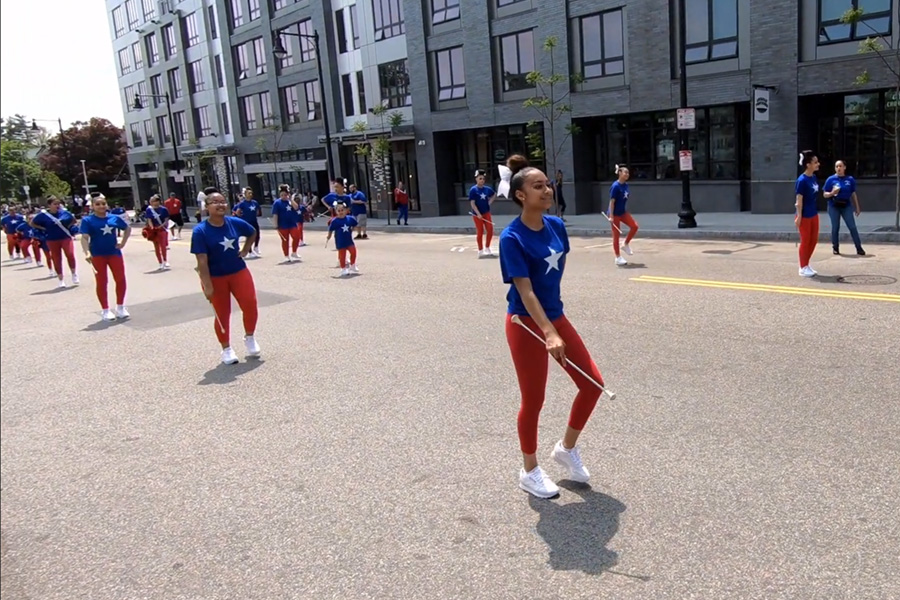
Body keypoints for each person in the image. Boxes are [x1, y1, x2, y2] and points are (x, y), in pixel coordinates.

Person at [498, 154, 605, 499]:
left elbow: (552, 278)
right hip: (526, 323)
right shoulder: (511, 238)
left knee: (593, 385)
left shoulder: (557, 226)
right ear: (520, 195)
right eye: (538, 186)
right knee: (534, 399)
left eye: (548, 184)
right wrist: (548, 331)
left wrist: (555, 322)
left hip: (554, 317)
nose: (547, 190)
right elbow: (525, 290)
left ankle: (566, 448)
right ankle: (529, 470)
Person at [191, 187, 261, 365]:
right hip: (215, 277)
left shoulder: (234, 222)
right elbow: (202, 261)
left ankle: (250, 337)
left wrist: (245, 249)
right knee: (222, 314)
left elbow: (252, 231)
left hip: (238, 271)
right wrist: (207, 285)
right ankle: (226, 348)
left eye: (223, 201)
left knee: (250, 304)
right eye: (215, 202)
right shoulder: (200, 231)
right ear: (206, 207)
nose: (220, 205)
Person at [80, 194, 131, 321]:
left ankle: (120, 307)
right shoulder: (88, 220)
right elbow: (85, 237)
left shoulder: (114, 218)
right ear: (92, 206)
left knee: (120, 279)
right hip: (97, 254)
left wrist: (123, 242)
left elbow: (127, 228)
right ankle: (105, 310)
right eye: (97, 204)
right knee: (102, 282)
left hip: (114, 253)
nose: (101, 206)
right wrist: (87, 252)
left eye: (103, 204)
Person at [30, 196, 79, 288]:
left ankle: (74, 273)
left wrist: (69, 227)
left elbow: (74, 221)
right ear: (49, 205)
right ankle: (61, 279)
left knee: (70, 254)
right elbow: (32, 223)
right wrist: (43, 228)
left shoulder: (65, 213)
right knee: (56, 258)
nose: (57, 206)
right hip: (52, 239)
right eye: (55, 204)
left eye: (58, 204)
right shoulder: (43, 215)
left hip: (65, 237)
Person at [823, 160, 865, 256]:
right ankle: (835, 247)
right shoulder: (831, 179)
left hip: (846, 205)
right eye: (836, 166)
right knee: (835, 227)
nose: (838, 168)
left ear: (844, 167)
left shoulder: (850, 179)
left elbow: (853, 194)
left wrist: (857, 207)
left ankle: (859, 247)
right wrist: (832, 193)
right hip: (834, 206)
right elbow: (825, 194)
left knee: (852, 227)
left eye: (840, 166)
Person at [795, 151, 821, 277]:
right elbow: (799, 200)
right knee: (805, 241)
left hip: (813, 213)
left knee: (814, 240)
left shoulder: (813, 177)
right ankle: (802, 267)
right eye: (815, 162)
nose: (818, 164)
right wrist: (799, 216)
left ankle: (806, 264)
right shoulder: (801, 180)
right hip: (804, 215)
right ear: (808, 164)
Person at [608, 165, 639, 267]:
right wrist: (611, 216)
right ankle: (617, 257)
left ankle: (625, 244)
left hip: (622, 212)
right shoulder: (615, 186)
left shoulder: (625, 185)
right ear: (620, 173)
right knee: (616, 236)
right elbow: (612, 202)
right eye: (625, 172)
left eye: (628, 173)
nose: (627, 174)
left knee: (634, 226)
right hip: (615, 214)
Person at [326, 201, 360, 277]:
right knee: (342, 255)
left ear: (345, 210)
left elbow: (355, 224)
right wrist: (329, 236)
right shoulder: (335, 221)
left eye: (342, 210)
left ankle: (353, 265)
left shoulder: (350, 219)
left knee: (353, 252)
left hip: (349, 240)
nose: (341, 212)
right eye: (339, 211)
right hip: (340, 241)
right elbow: (330, 229)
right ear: (336, 212)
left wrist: (353, 229)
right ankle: (343, 268)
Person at [271, 184, 302, 262]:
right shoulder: (277, 203)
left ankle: (294, 252)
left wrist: (291, 199)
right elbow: (275, 214)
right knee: (285, 240)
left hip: (292, 223)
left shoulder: (290, 202)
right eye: (282, 195)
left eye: (285, 195)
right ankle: (286, 255)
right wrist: (275, 224)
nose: (283, 196)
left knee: (296, 237)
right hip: (282, 224)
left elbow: (296, 207)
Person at [468, 171, 495, 256]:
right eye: (480, 178)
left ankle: (487, 247)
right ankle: (480, 249)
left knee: (490, 229)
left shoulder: (487, 189)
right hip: (477, 214)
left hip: (486, 212)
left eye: (483, 179)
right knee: (480, 231)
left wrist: (489, 202)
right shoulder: (473, 190)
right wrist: (478, 213)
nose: (482, 180)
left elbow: (494, 194)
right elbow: (472, 203)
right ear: (476, 179)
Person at [233, 187, 262, 257]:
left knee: (257, 234)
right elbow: (237, 212)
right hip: (247, 222)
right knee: (249, 236)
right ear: (245, 194)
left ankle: (256, 247)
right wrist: (242, 217)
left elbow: (258, 211)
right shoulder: (242, 203)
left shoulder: (254, 202)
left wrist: (256, 213)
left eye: (251, 193)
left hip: (254, 220)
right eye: (249, 193)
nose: (250, 194)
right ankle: (250, 251)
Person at [144, 195, 171, 270]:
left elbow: (166, 219)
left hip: (162, 229)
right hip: (154, 230)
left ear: (158, 201)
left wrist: (161, 226)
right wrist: (152, 227)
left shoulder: (164, 209)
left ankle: (165, 260)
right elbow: (149, 219)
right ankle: (160, 262)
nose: (152, 202)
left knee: (163, 246)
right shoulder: (149, 209)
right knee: (156, 247)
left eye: (153, 201)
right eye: (151, 201)